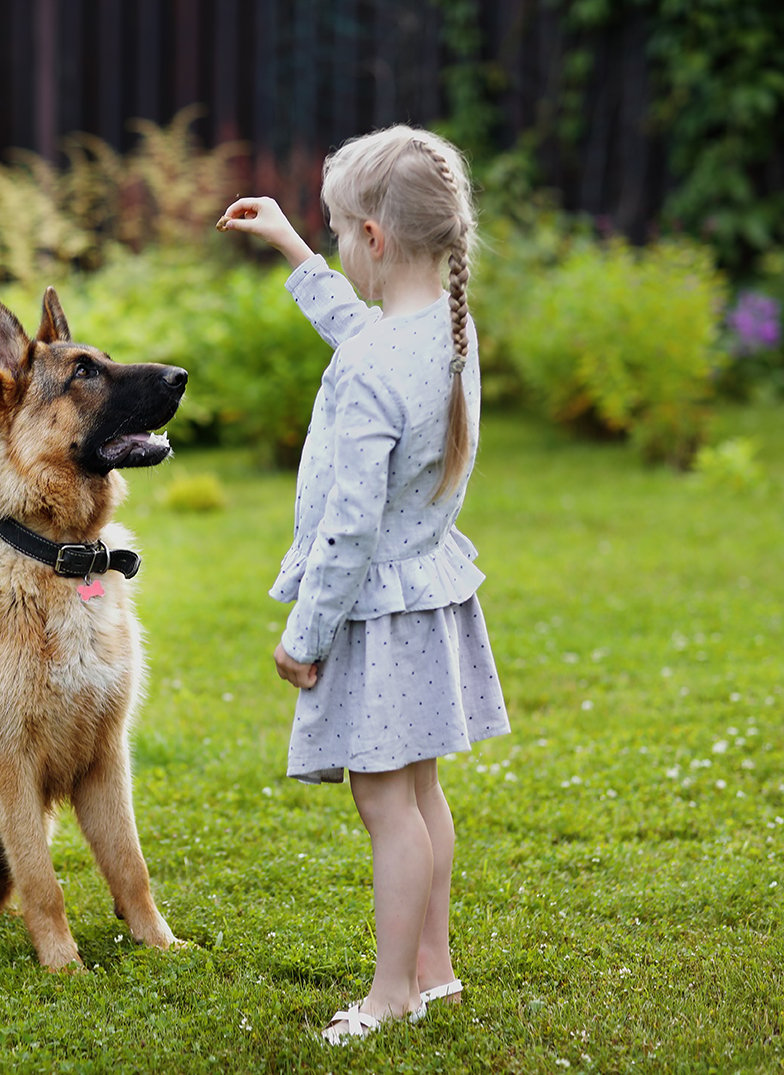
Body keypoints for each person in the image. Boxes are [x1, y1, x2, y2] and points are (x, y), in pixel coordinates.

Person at [217, 125, 510, 1043]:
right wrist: (296, 251)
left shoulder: (373, 371)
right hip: (428, 600)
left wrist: (301, 638)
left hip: (377, 615)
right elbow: (361, 330)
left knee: (386, 806)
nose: (337, 241)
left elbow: (345, 531)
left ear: (376, 239)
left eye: (339, 229)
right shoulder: (444, 332)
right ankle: (435, 968)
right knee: (420, 795)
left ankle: (390, 992)